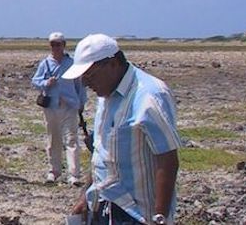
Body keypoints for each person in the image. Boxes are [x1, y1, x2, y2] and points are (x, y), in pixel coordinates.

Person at [64, 34, 181, 225]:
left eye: (90, 75)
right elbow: (102, 153)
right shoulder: (106, 95)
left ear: (112, 63)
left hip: (137, 213)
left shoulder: (150, 97)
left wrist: (160, 218)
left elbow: (167, 160)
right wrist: (85, 196)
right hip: (104, 203)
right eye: (82, 78)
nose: (86, 83)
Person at [31, 32, 87, 184]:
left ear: (64, 45)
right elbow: (35, 81)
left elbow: (80, 85)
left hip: (69, 105)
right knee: (53, 140)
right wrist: (46, 83)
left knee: (71, 139)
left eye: (58, 44)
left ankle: (74, 174)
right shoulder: (45, 63)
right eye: (52, 44)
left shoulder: (73, 63)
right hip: (51, 107)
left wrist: (81, 102)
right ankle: (54, 171)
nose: (55, 47)